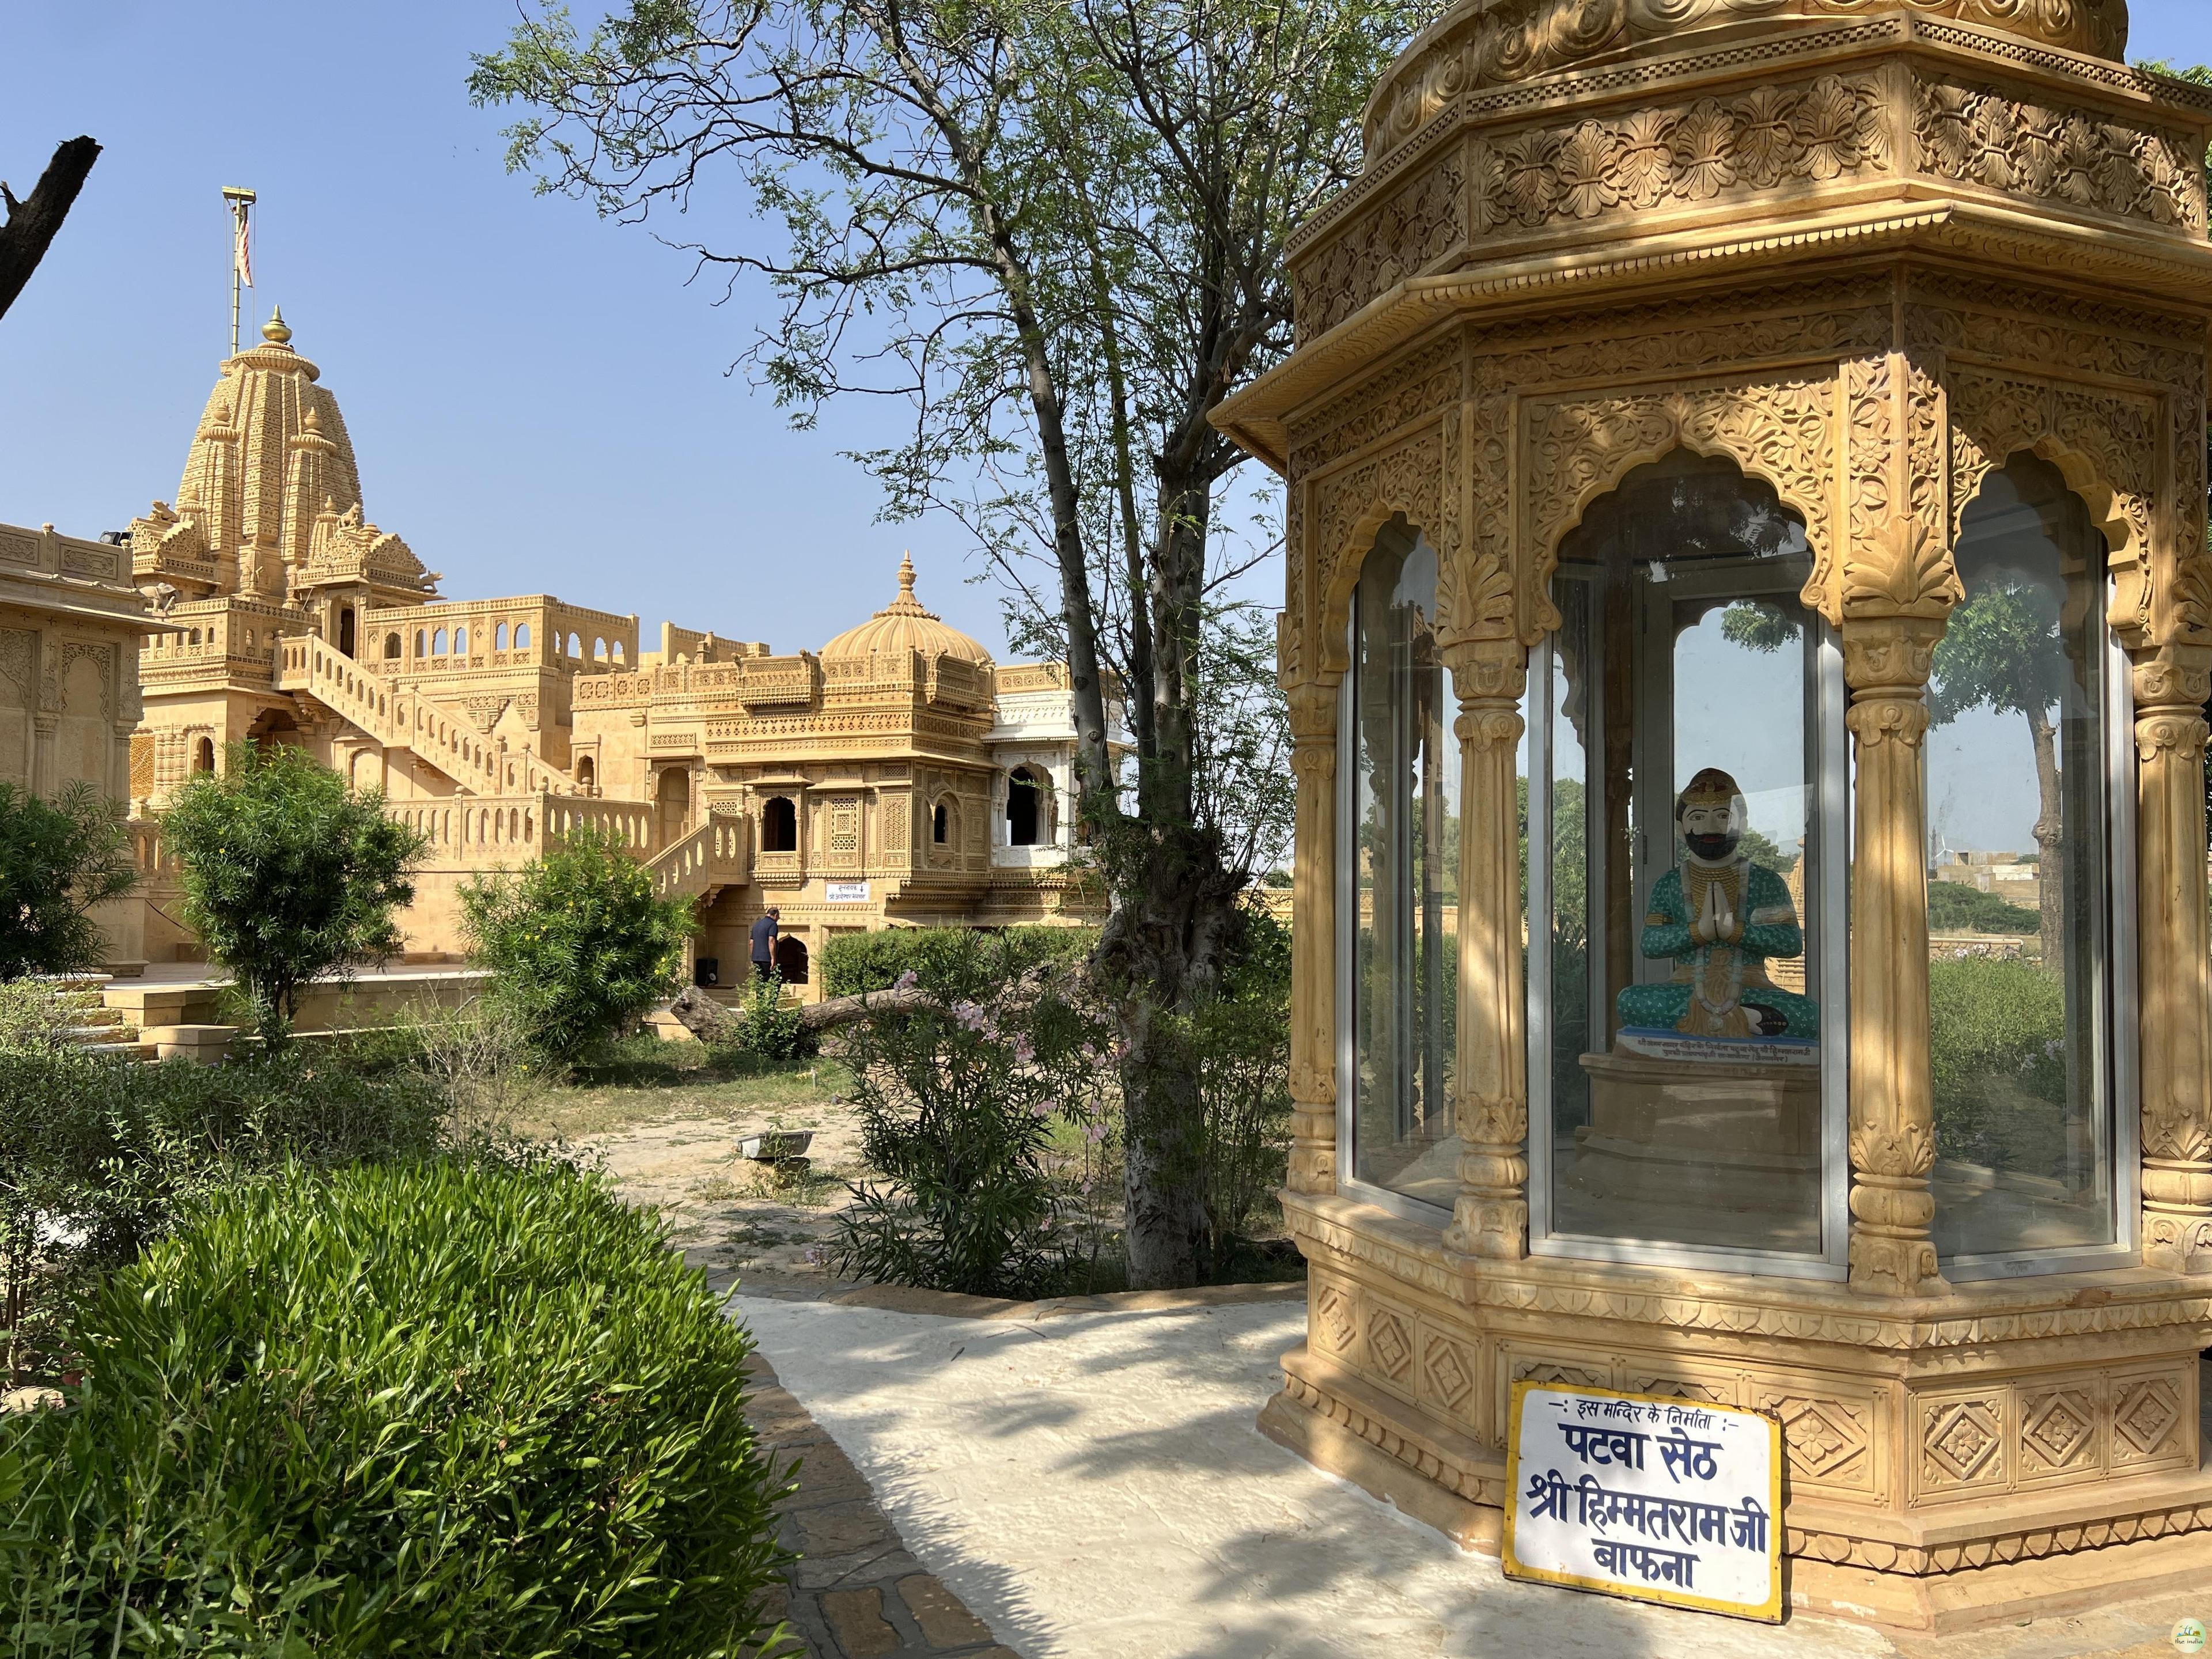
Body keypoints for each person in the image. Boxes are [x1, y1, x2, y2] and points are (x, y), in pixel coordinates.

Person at [1616, 768, 1818, 1042]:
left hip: (1752, 986)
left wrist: (1735, 931)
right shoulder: (1670, 883)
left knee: (1811, 1015)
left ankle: (1720, 1019)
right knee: (1631, 1001)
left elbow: (1791, 942)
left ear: (1742, 825)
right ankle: (1751, 1019)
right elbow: (1650, 943)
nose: (1710, 828)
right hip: (1685, 986)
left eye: (1723, 816)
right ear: (1680, 829)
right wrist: (1698, 932)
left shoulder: (1766, 881)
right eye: (1697, 818)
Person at [749, 907, 781, 982]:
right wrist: (773, 958)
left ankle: (760, 994)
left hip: (756, 958)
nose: (778, 919)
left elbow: (751, 943)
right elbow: (771, 941)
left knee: (760, 980)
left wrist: (753, 957)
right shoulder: (773, 924)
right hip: (767, 958)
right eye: (778, 917)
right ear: (776, 915)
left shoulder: (757, 924)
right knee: (774, 980)